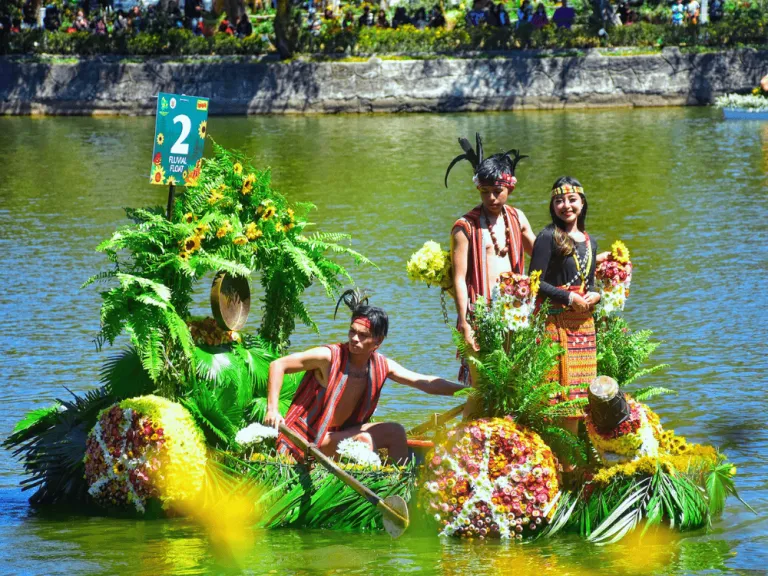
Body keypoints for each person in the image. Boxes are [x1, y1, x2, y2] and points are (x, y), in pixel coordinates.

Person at [265, 290, 465, 463]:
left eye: (363, 335)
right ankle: (367, 493)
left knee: (396, 432)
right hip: (311, 437)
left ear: (377, 342)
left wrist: (467, 391)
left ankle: (399, 487)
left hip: (342, 434)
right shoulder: (328, 356)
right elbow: (278, 364)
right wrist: (272, 409)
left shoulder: (381, 365)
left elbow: (426, 383)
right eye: (352, 332)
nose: (354, 339)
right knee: (364, 440)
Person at [446, 134, 536, 380]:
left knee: (516, 379)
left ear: (511, 188)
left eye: (498, 191)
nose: (491, 198)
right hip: (481, 313)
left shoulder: (517, 218)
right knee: (483, 382)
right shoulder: (465, 226)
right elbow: (460, 279)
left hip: (516, 308)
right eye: (484, 192)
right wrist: (465, 323)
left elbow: (541, 255)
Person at [528, 177, 609, 435]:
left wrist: (596, 296)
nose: (566, 206)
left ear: (582, 203)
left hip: (583, 326)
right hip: (554, 323)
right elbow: (534, 282)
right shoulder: (548, 236)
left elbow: (592, 283)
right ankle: (557, 459)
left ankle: (571, 463)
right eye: (559, 201)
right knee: (554, 394)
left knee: (578, 395)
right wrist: (568, 298)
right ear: (552, 206)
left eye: (572, 200)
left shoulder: (589, 241)